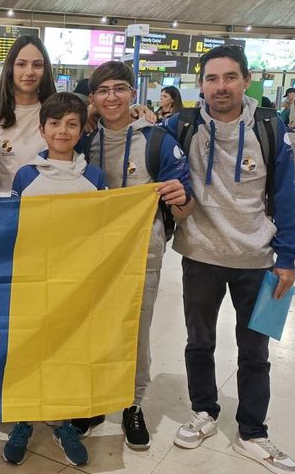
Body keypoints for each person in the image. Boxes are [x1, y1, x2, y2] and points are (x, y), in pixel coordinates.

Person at [162, 44, 295, 474]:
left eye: (229, 78)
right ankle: (205, 411)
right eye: (212, 78)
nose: (220, 87)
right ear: (200, 84)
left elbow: (285, 196)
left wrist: (288, 256)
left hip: (257, 258)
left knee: (254, 350)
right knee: (199, 342)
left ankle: (253, 432)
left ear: (245, 81)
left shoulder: (269, 128)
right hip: (200, 255)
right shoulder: (180, 126)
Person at [69, 61, 194, 451]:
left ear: (133, 93)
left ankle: (131, 404)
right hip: (91, 256)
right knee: (91, 328)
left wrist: (179, 197)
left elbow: (185, 202)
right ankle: (91, 401)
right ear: (92, 98)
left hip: (143, 252)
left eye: (120, 88)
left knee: (136, 331)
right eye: (103, 90)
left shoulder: (157, 140)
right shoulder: (82, 141)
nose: (112, 97)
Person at [4, 92, 106, 466]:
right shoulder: (26, 175)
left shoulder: (94, 177)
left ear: (82, 130)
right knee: (29, 352)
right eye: (55, 123)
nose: (63, 130)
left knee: (68, 354)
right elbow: (12, 229)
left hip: (77, 284)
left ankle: (62, 422)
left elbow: (106, 229)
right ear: (43, 129)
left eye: (72, 124)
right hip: (33, 282)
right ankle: (23, 420)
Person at [0, 35, 57, 197]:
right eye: (21, 64)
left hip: (48, 208)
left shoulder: (58, 114)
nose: (29, 72)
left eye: (37, 65)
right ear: (10, 68)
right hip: (5, 210)